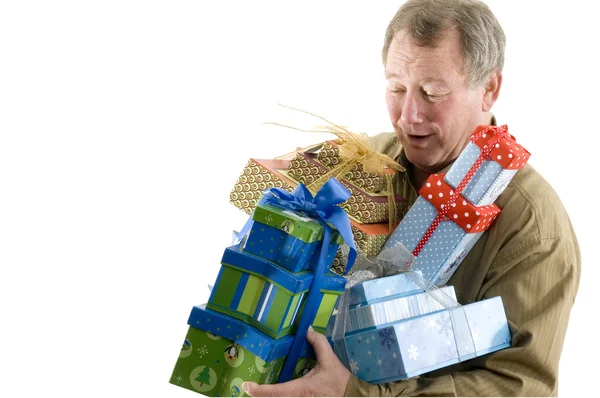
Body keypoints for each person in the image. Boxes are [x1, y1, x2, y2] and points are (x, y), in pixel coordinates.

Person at [242, 0, 581, 396]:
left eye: (433, 92)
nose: (408, 116)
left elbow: (522, 388)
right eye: (396, 88)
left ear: (489, 88)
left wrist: (354, 393)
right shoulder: (354, 165)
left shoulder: (532, 224)